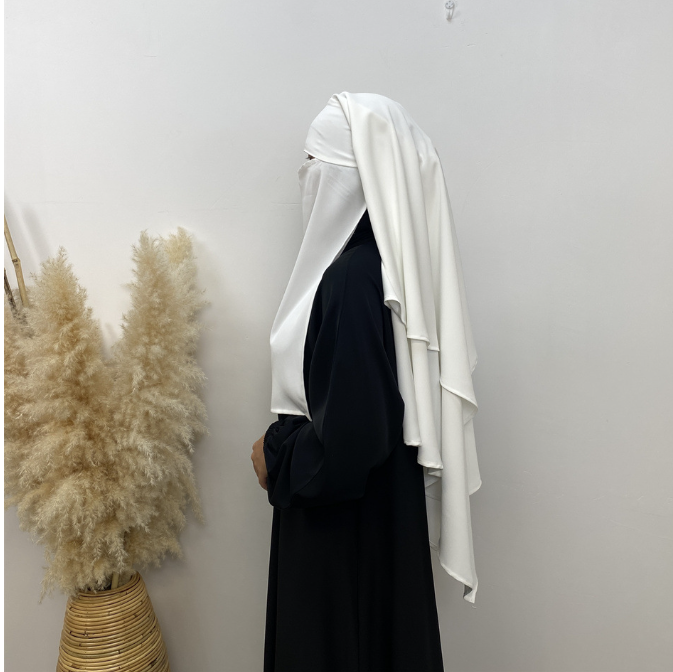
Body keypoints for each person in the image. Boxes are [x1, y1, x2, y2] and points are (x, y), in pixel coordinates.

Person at [251, 92, 480, 672]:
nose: (304, 176)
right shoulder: (385, 270)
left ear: (347, 177)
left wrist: (275, 454)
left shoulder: (352, 277)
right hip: (377, 526)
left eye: (313, 163)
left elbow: (351, 442)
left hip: (341, 539)